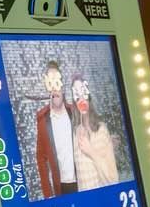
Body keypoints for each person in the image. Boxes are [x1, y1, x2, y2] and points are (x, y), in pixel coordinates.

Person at [34, 60, 78, 198]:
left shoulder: (76, 113)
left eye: (57, 81)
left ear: (63, 85)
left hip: (84, 182)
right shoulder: (42, 120)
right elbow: (41, 158)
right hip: (61, 189)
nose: (54, 88)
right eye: (50, 82)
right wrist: (48, 195)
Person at [70, 74, 119, 190]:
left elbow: (113, 179)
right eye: (77, 94)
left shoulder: (101, 130)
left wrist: (91, 151)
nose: (81, 98)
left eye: (83, 92)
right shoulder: (75, 132)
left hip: (103, 200)